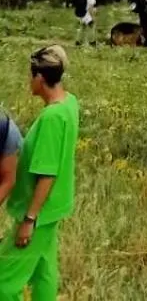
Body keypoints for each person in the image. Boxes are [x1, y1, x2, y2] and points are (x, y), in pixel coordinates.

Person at [0, 45, 80, 301]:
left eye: (30, 75)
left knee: (4, 282)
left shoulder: (51, 119)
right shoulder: (70, 103)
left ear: (40, 78)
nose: (28, 81)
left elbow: (47, 174)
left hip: (39, 212)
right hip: (54, 208)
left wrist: (29, 220)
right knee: (44, 272)